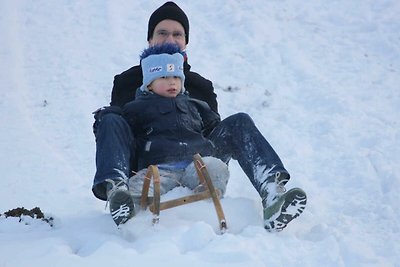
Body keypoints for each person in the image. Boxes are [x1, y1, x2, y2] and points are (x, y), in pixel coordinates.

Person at [92, 2, 307, 231]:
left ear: (185, 42)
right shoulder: (128, 81)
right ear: (150, 39)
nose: (170, 39)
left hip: (197, 161)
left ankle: (273, 194)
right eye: (162, 33)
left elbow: (212, 129)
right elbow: (119, 134)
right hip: (153, 162)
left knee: (239, 121)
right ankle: (119, 193)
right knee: (111, 119)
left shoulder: (199, 85)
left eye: (177, 34)